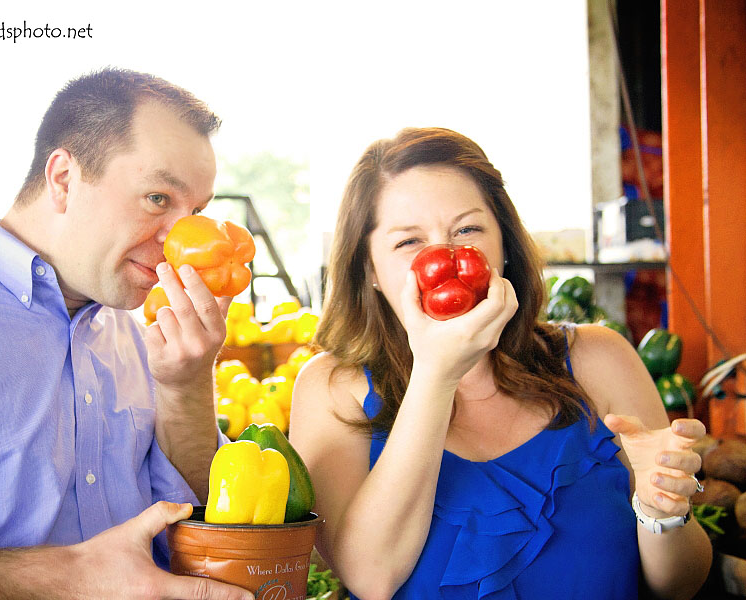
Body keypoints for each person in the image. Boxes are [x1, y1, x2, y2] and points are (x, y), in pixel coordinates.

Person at [0, 68, 251, 600]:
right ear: (63, 178)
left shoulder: (135, 335)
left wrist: (188, 385)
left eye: (196, 211)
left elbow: (194, 513)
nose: (182, 241)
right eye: (158, 199)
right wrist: (62, 578)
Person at [289, 127, 712, 600]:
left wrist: (663, 511)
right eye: (408, 241)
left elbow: (680, 586)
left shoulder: (601, 359)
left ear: (505, 245)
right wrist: (437, 373)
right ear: (368, 268)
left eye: (467, 230)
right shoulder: (329, 388)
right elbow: (371, 578)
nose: (444, 257)